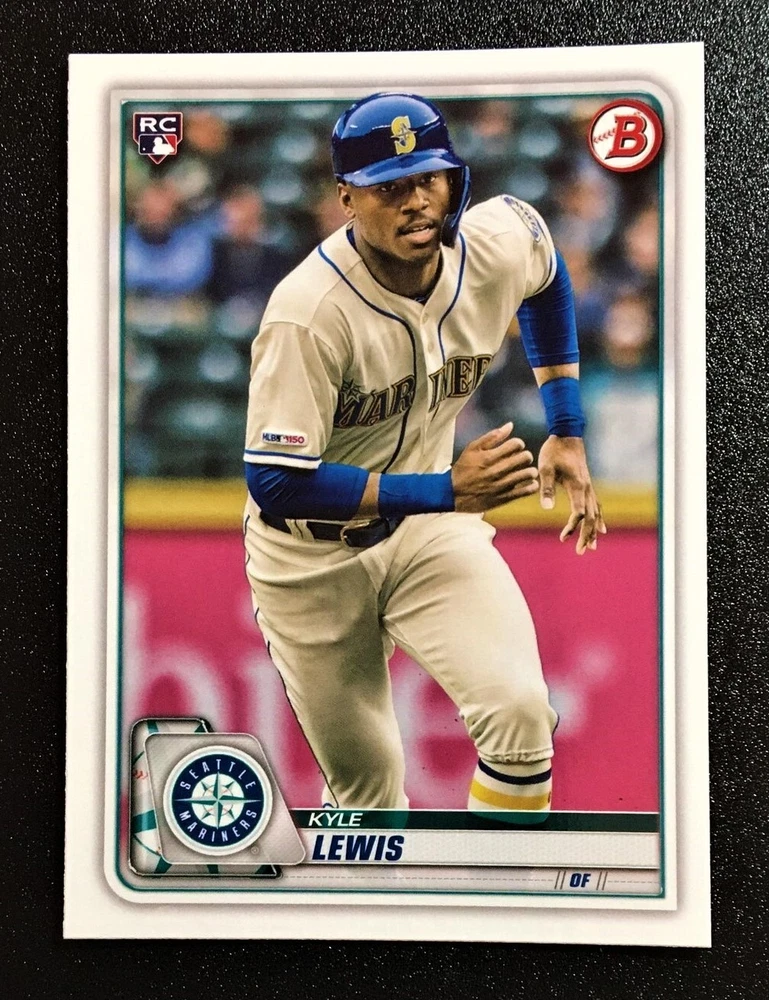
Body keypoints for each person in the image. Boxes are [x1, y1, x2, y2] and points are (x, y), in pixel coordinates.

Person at [242, 93, 605, 820]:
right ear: (347, 199)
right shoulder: (308, 312)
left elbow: (546, 272)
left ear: (452, 179)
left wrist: (566, 425)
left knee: (520, 714)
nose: (415, 202)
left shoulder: (491, 245)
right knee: (370, 801)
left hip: (428, 534)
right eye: (389, 187)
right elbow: (276, 481)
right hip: (309, 562)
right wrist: (444, 491)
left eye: (427, 179)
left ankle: (499, 888)